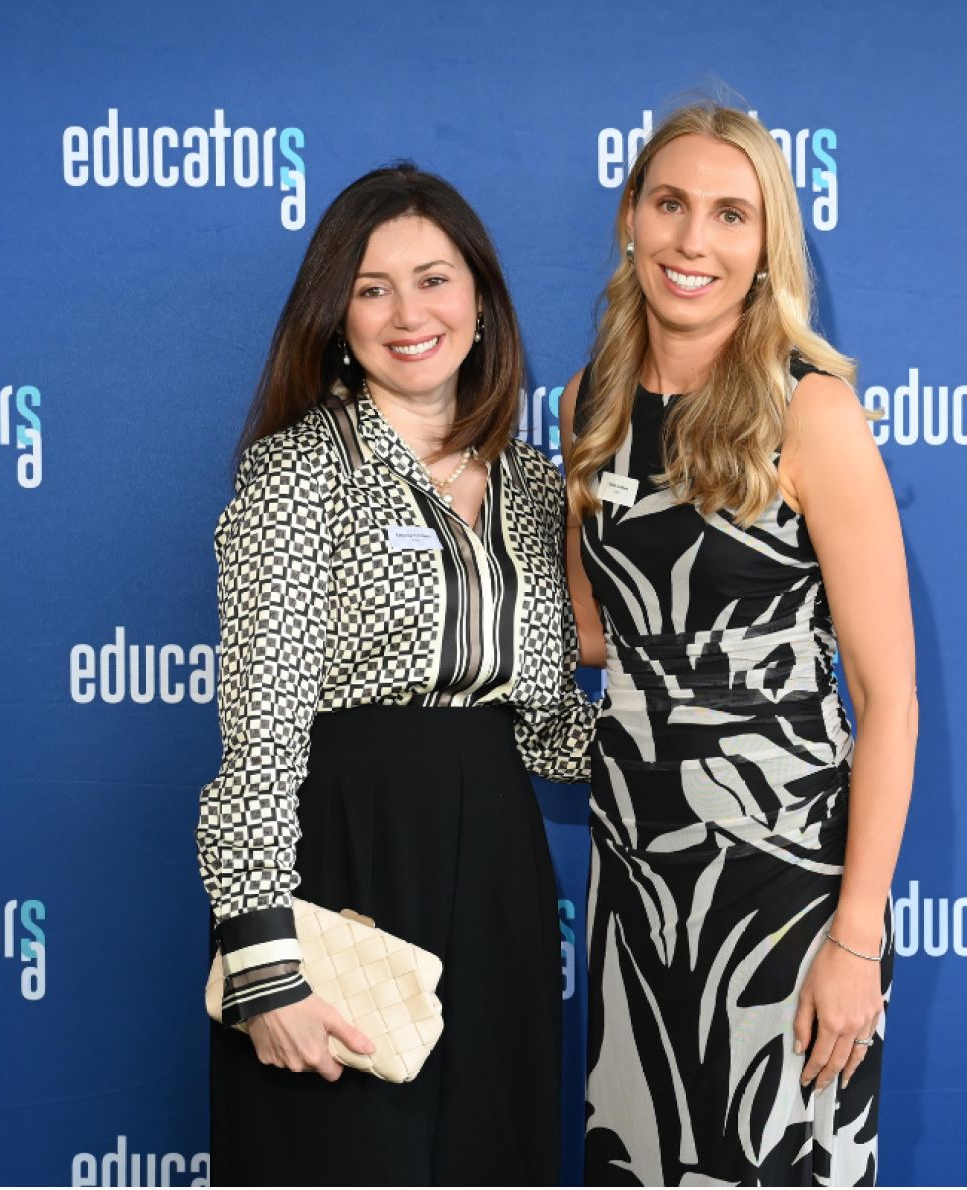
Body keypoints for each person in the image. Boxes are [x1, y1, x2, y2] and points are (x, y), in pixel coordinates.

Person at [196, 163, 595, 1186]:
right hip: (346, 865)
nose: (408, 312)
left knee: (491, 1154)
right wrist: (263, 963)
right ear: (337, 314)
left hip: (500, 868)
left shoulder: (532, 482)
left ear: (481, 303)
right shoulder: (299, 471)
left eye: (434, 278)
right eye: (373, 287)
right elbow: (262, 740)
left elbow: (552, 731)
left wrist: (718, 722)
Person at [561, 105, 918, 1186]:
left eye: (731, 214)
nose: (693, 241)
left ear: (767, 247)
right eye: (670, 204)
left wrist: (857, 938)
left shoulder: (811, 413)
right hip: (635, 877)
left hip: (784, 892)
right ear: (631, 216)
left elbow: (886, 696)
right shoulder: (592, 402)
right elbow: (591, 632)